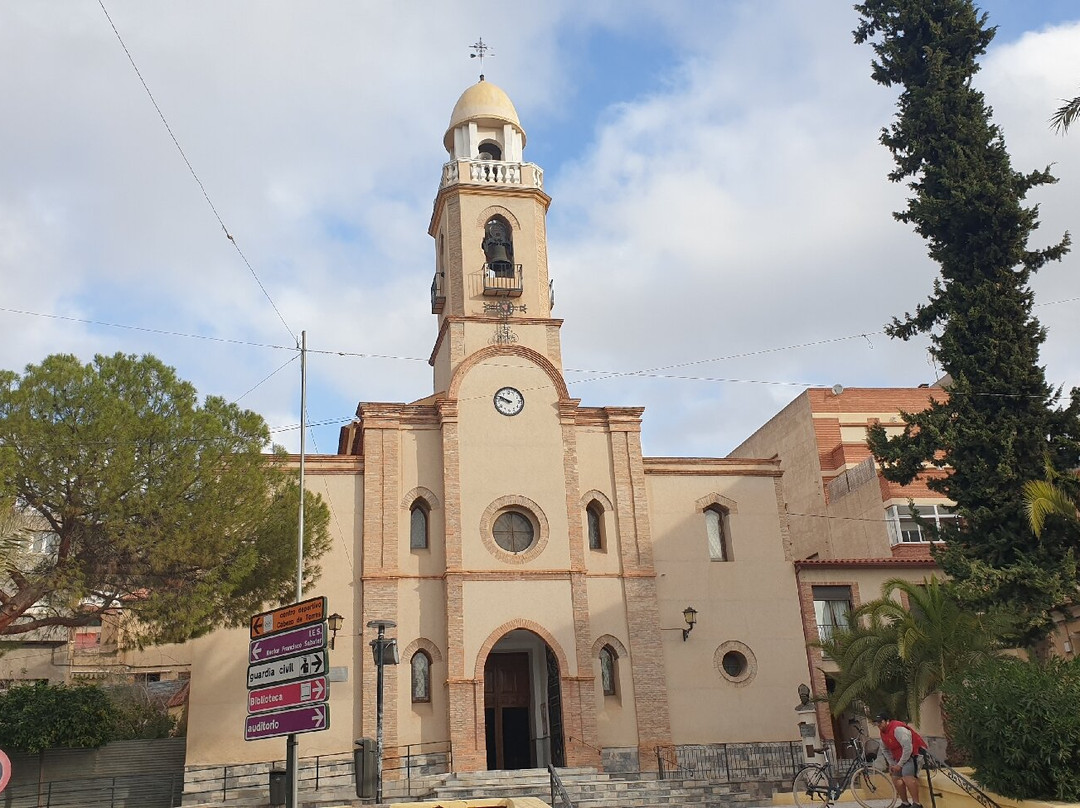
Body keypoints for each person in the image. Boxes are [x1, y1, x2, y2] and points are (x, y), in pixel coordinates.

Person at [873, 712, 928, 808]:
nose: (878, 725)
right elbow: (885, 750)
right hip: (898, 757)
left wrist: (900, 765)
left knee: (907, 777)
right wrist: (891, 763)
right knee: (895, 778)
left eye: (880, 722)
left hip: (913, 754)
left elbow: (908, 748)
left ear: (887, 721)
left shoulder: (898, 729)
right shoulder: (883, 734)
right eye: (876, 723)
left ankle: (917, 804)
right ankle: (905, 803)